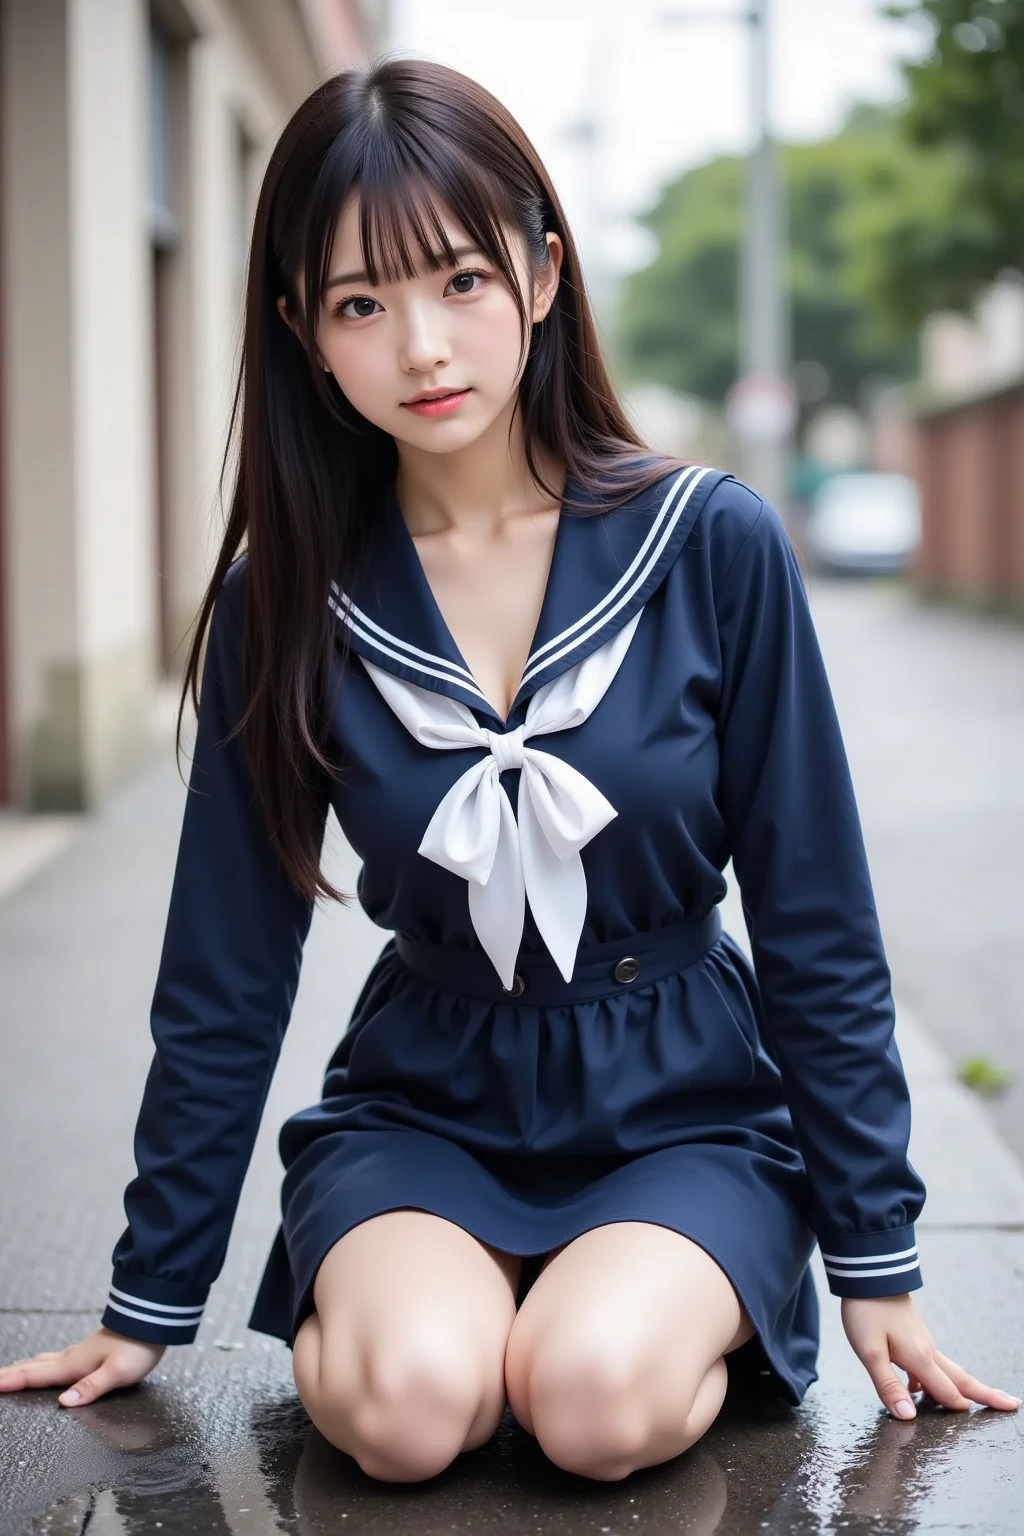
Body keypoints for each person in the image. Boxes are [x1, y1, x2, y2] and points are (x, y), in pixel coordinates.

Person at [0, 58, 1018, 1485]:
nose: (423, 346)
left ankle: (664, 1306)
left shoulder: (710, 547)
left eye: (463, 281)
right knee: (412, 1412)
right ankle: (449, 1317)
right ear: (303, 331)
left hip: (687, 1104)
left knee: (590, 1406)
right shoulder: (286, 603)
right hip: (428, 1099)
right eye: (363, 302)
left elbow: (815, 917)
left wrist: (877, 1258)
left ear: (544, 276)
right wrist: (147, 1297)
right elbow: (228, 964)